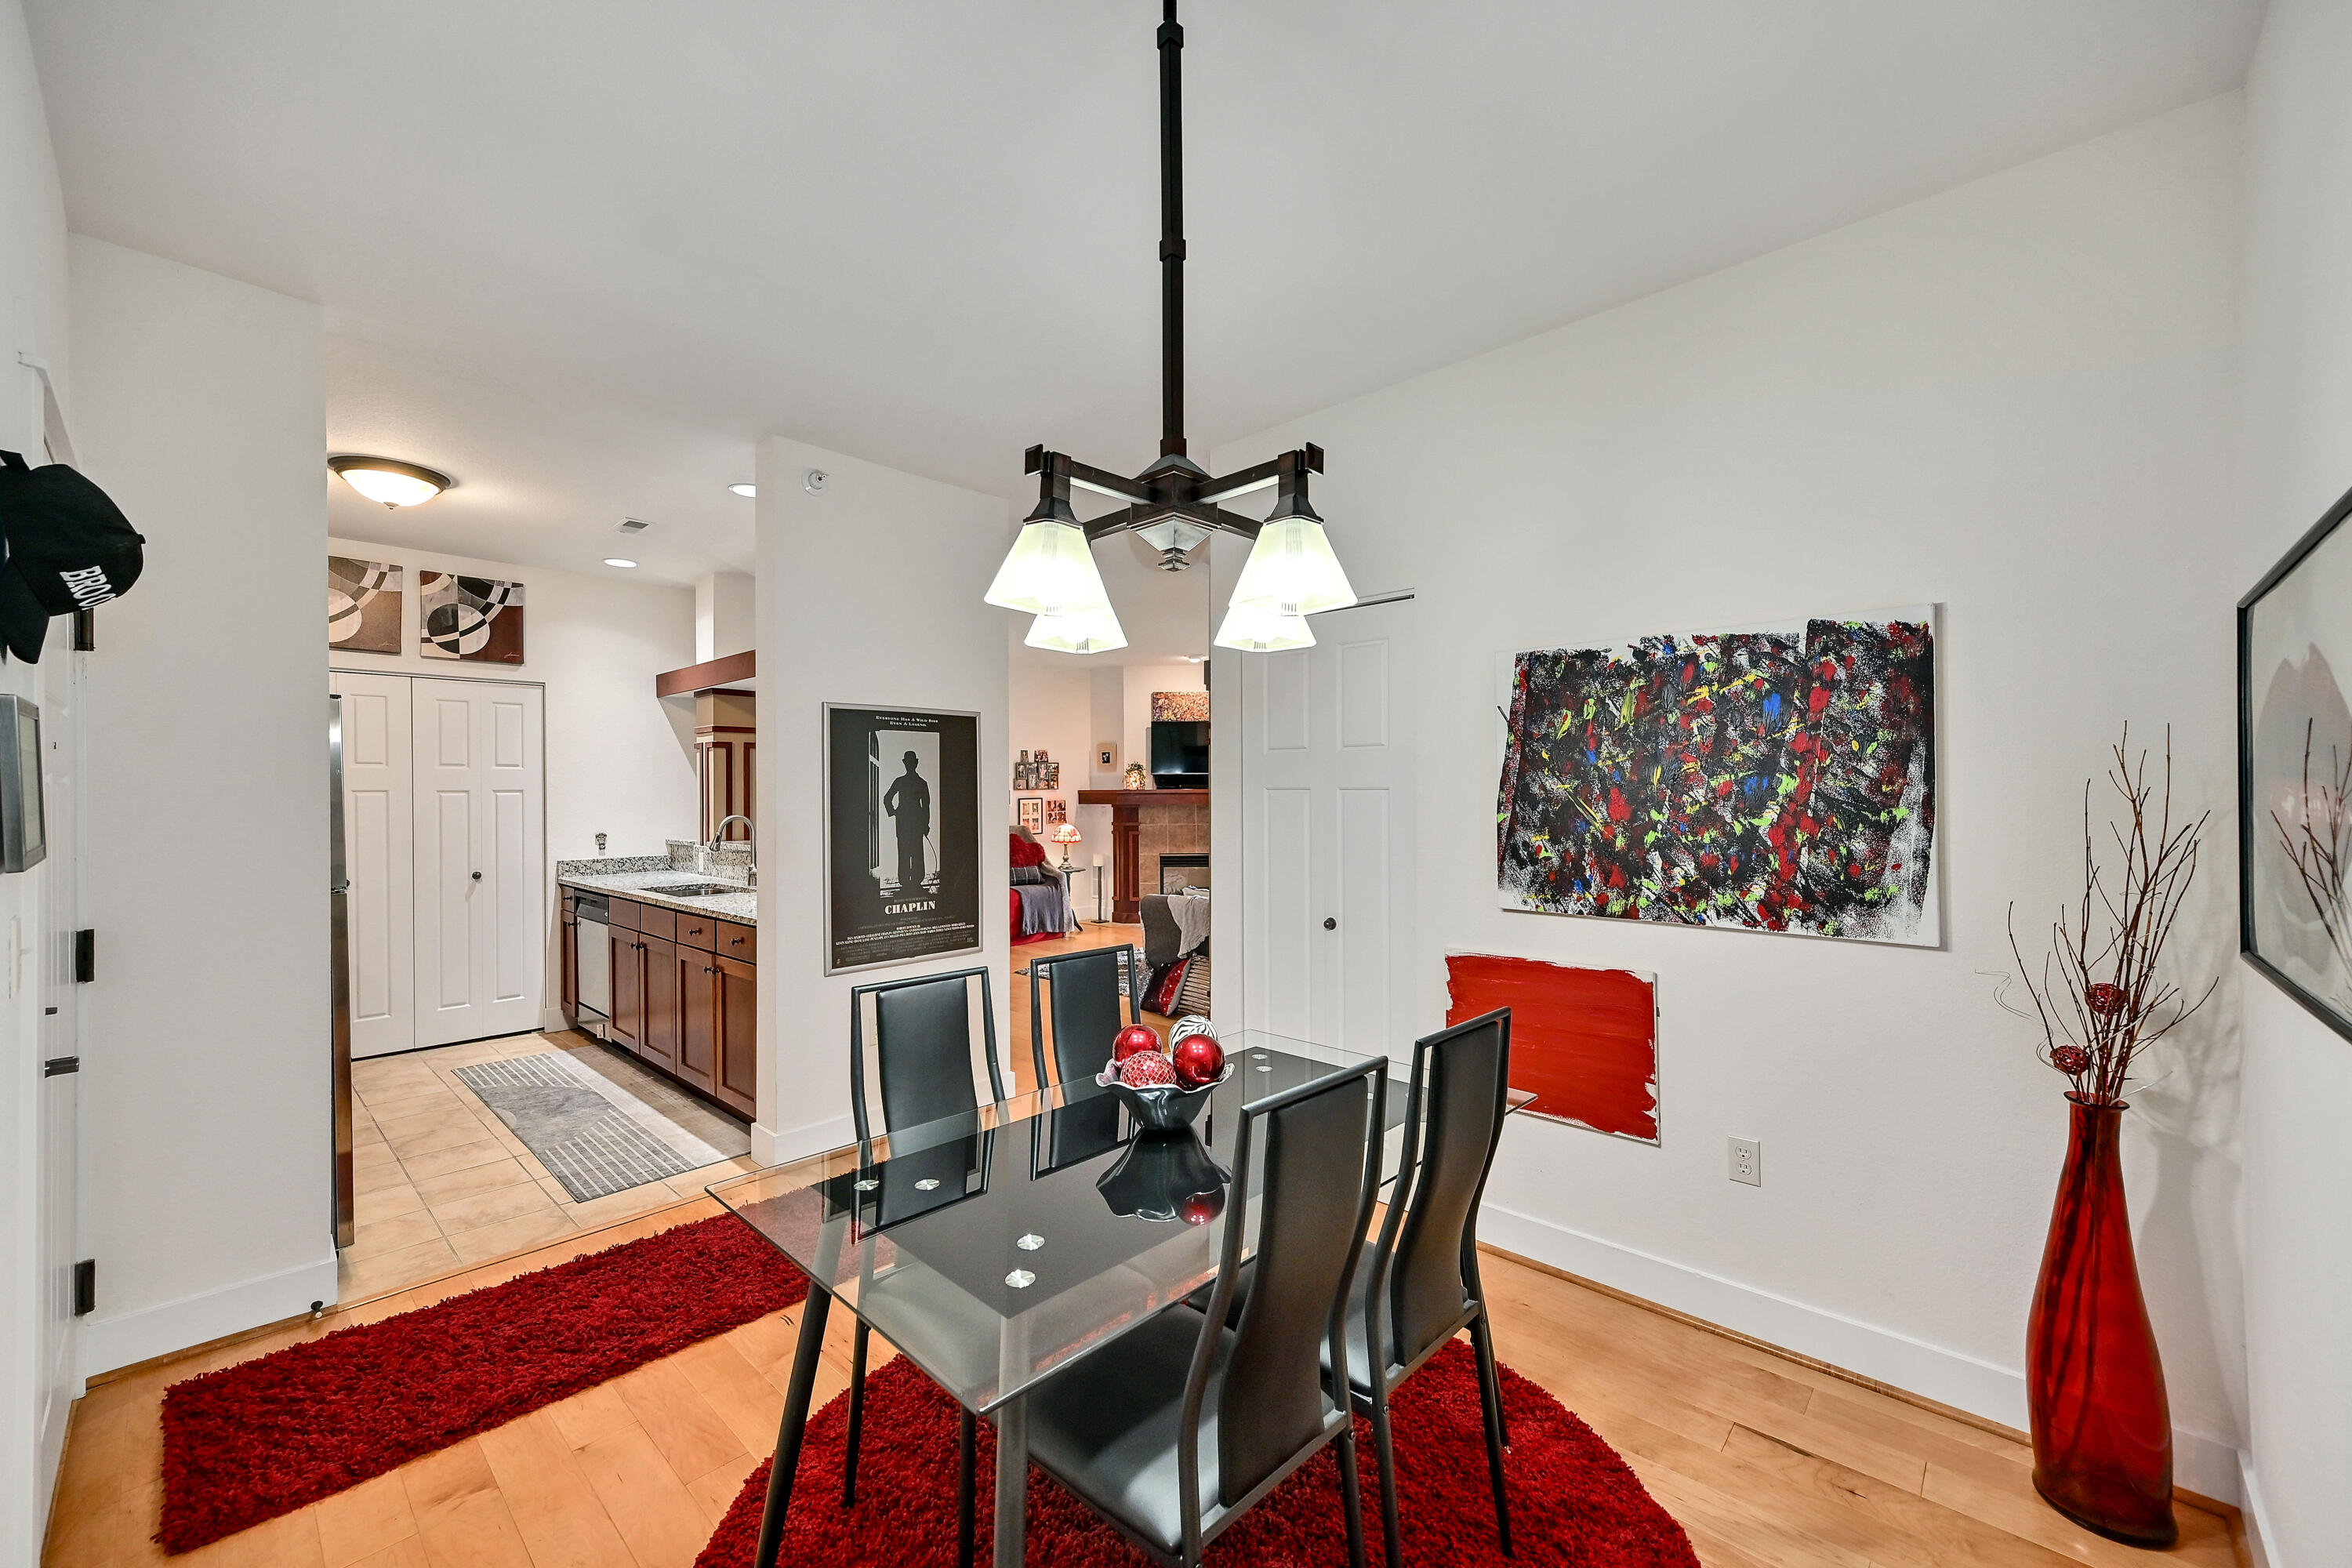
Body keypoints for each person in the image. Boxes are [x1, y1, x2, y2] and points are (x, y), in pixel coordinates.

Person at [882, 750, 931, 892]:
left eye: (911, 762)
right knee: (912, 852)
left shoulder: (908, 782)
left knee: (908, 852)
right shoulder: (920, 783)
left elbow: (926, 806)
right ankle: (912, 882)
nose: (909, 765)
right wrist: (925, 824)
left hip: (907, 824)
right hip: (911, 824)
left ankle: (910, 883)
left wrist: (895, 813)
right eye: (908, 762)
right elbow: (926, 807)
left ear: (914, 763)